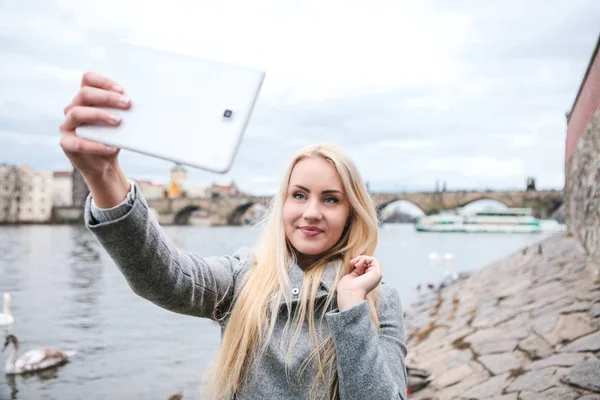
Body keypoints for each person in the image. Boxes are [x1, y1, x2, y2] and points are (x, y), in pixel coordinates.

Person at [59, 72, 408, 400]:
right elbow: (163, 277)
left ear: (351, 213)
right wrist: (103, 175)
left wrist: (351, 308)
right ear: (282, 204)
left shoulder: (379, 301)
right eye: (299, 195)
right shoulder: (245, 278)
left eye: (330, 199)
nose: (311, 211)